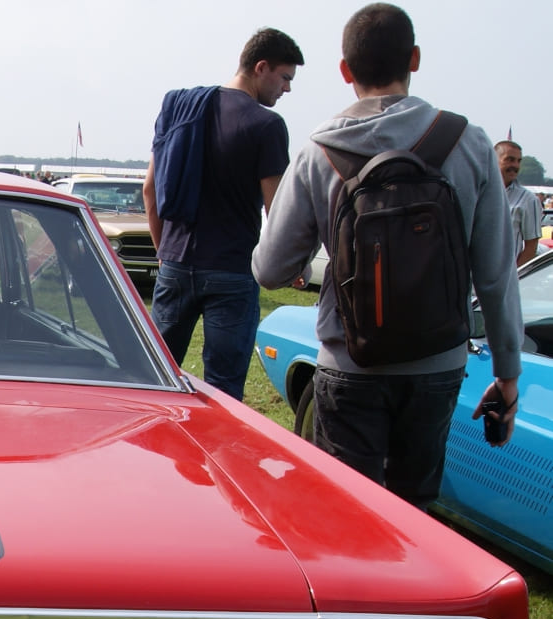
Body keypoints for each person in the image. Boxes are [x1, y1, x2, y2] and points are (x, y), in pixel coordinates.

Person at [252, 2, 521, 507]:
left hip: (350, 362)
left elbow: (270, 269)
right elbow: (497, 273)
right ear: (414, 59)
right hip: (437, 364)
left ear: (345, 70)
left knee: (347, 517)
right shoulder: (471, 143)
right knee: (412, 517)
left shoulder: (318, 151)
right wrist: (507, 373)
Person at [142, 27, 304, 401]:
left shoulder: (178, 107)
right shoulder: (266, 125)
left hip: (177, 264)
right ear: (260, 67)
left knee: (154, 380)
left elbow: (150, 190)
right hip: (231, 271)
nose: (287, 89)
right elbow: (277, 213)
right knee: (222, 393)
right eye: (285, 78)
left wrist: (166, 253)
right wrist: (292, 267)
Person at [496, 140, 542, 267]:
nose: (515, 165)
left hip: (504, 280)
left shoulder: (528, 200)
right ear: (494, 160)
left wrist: (514, 278)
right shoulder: (478, 194)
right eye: (510, 160)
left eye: (518, 161)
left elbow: (531, 247)